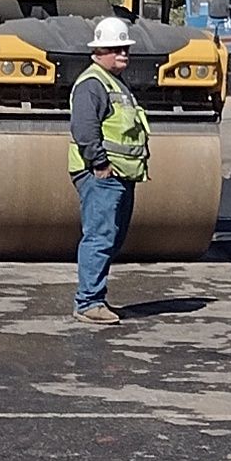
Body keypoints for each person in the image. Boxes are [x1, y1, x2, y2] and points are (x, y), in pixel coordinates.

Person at [68, 16, 149, 326]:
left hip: (120, 175)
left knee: (112, 237)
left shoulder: (116, 83)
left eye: (125, 49)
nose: (123, 54)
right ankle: (89, 302)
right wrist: (100, 163)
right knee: (100, 236)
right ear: (98, 51)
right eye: (116, 49)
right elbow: (85, 129)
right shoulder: (92, 84)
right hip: (101, 174)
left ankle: (94, 297)